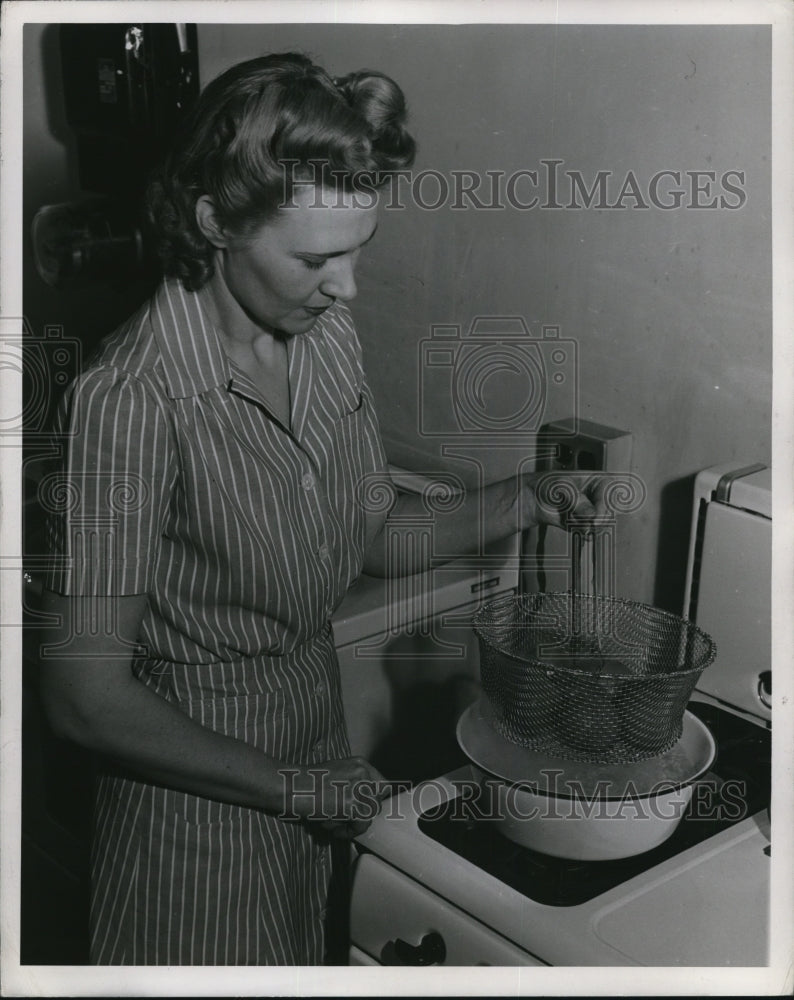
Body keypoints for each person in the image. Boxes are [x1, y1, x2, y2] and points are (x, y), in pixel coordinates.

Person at [38, 52, 602, 966]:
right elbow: (85, 699)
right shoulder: (127, 398)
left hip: (318, 741)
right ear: (214, 220)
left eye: (354, 251)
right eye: (314, 258)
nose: (348, 287)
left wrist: (524, 500)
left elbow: (372, 538)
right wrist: (292, 787)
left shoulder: (326, 337)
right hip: (195, 789)